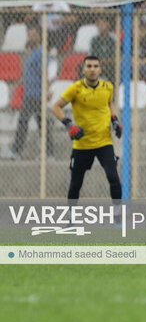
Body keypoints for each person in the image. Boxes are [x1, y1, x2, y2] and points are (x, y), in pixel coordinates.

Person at [51, 56, 123, 200]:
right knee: (76, 183)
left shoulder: (108, 87)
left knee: (114, 178)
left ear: (100, 69)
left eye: (96, 66)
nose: (92, 69)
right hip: (82, 144)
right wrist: (69, 125)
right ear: (83, 69)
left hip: (104, 142)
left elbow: (109, 105)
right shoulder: (75, 89)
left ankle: (117, 217)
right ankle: (72, 219)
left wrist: (114, 120)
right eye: (89, 66)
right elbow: (55, 107)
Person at [2, 25, 54, 160]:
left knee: (24, 122)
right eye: (29, 34)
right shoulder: (33, 53)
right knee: (42, 124)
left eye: (33, 34)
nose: (30, 36)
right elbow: (29, 73)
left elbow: (44, 72)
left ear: (39, 36)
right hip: (29, 93)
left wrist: (47, 91)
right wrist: (19, 82)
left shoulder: (41, 52)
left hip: (36, 94)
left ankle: (16, 151)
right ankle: (48, 153)